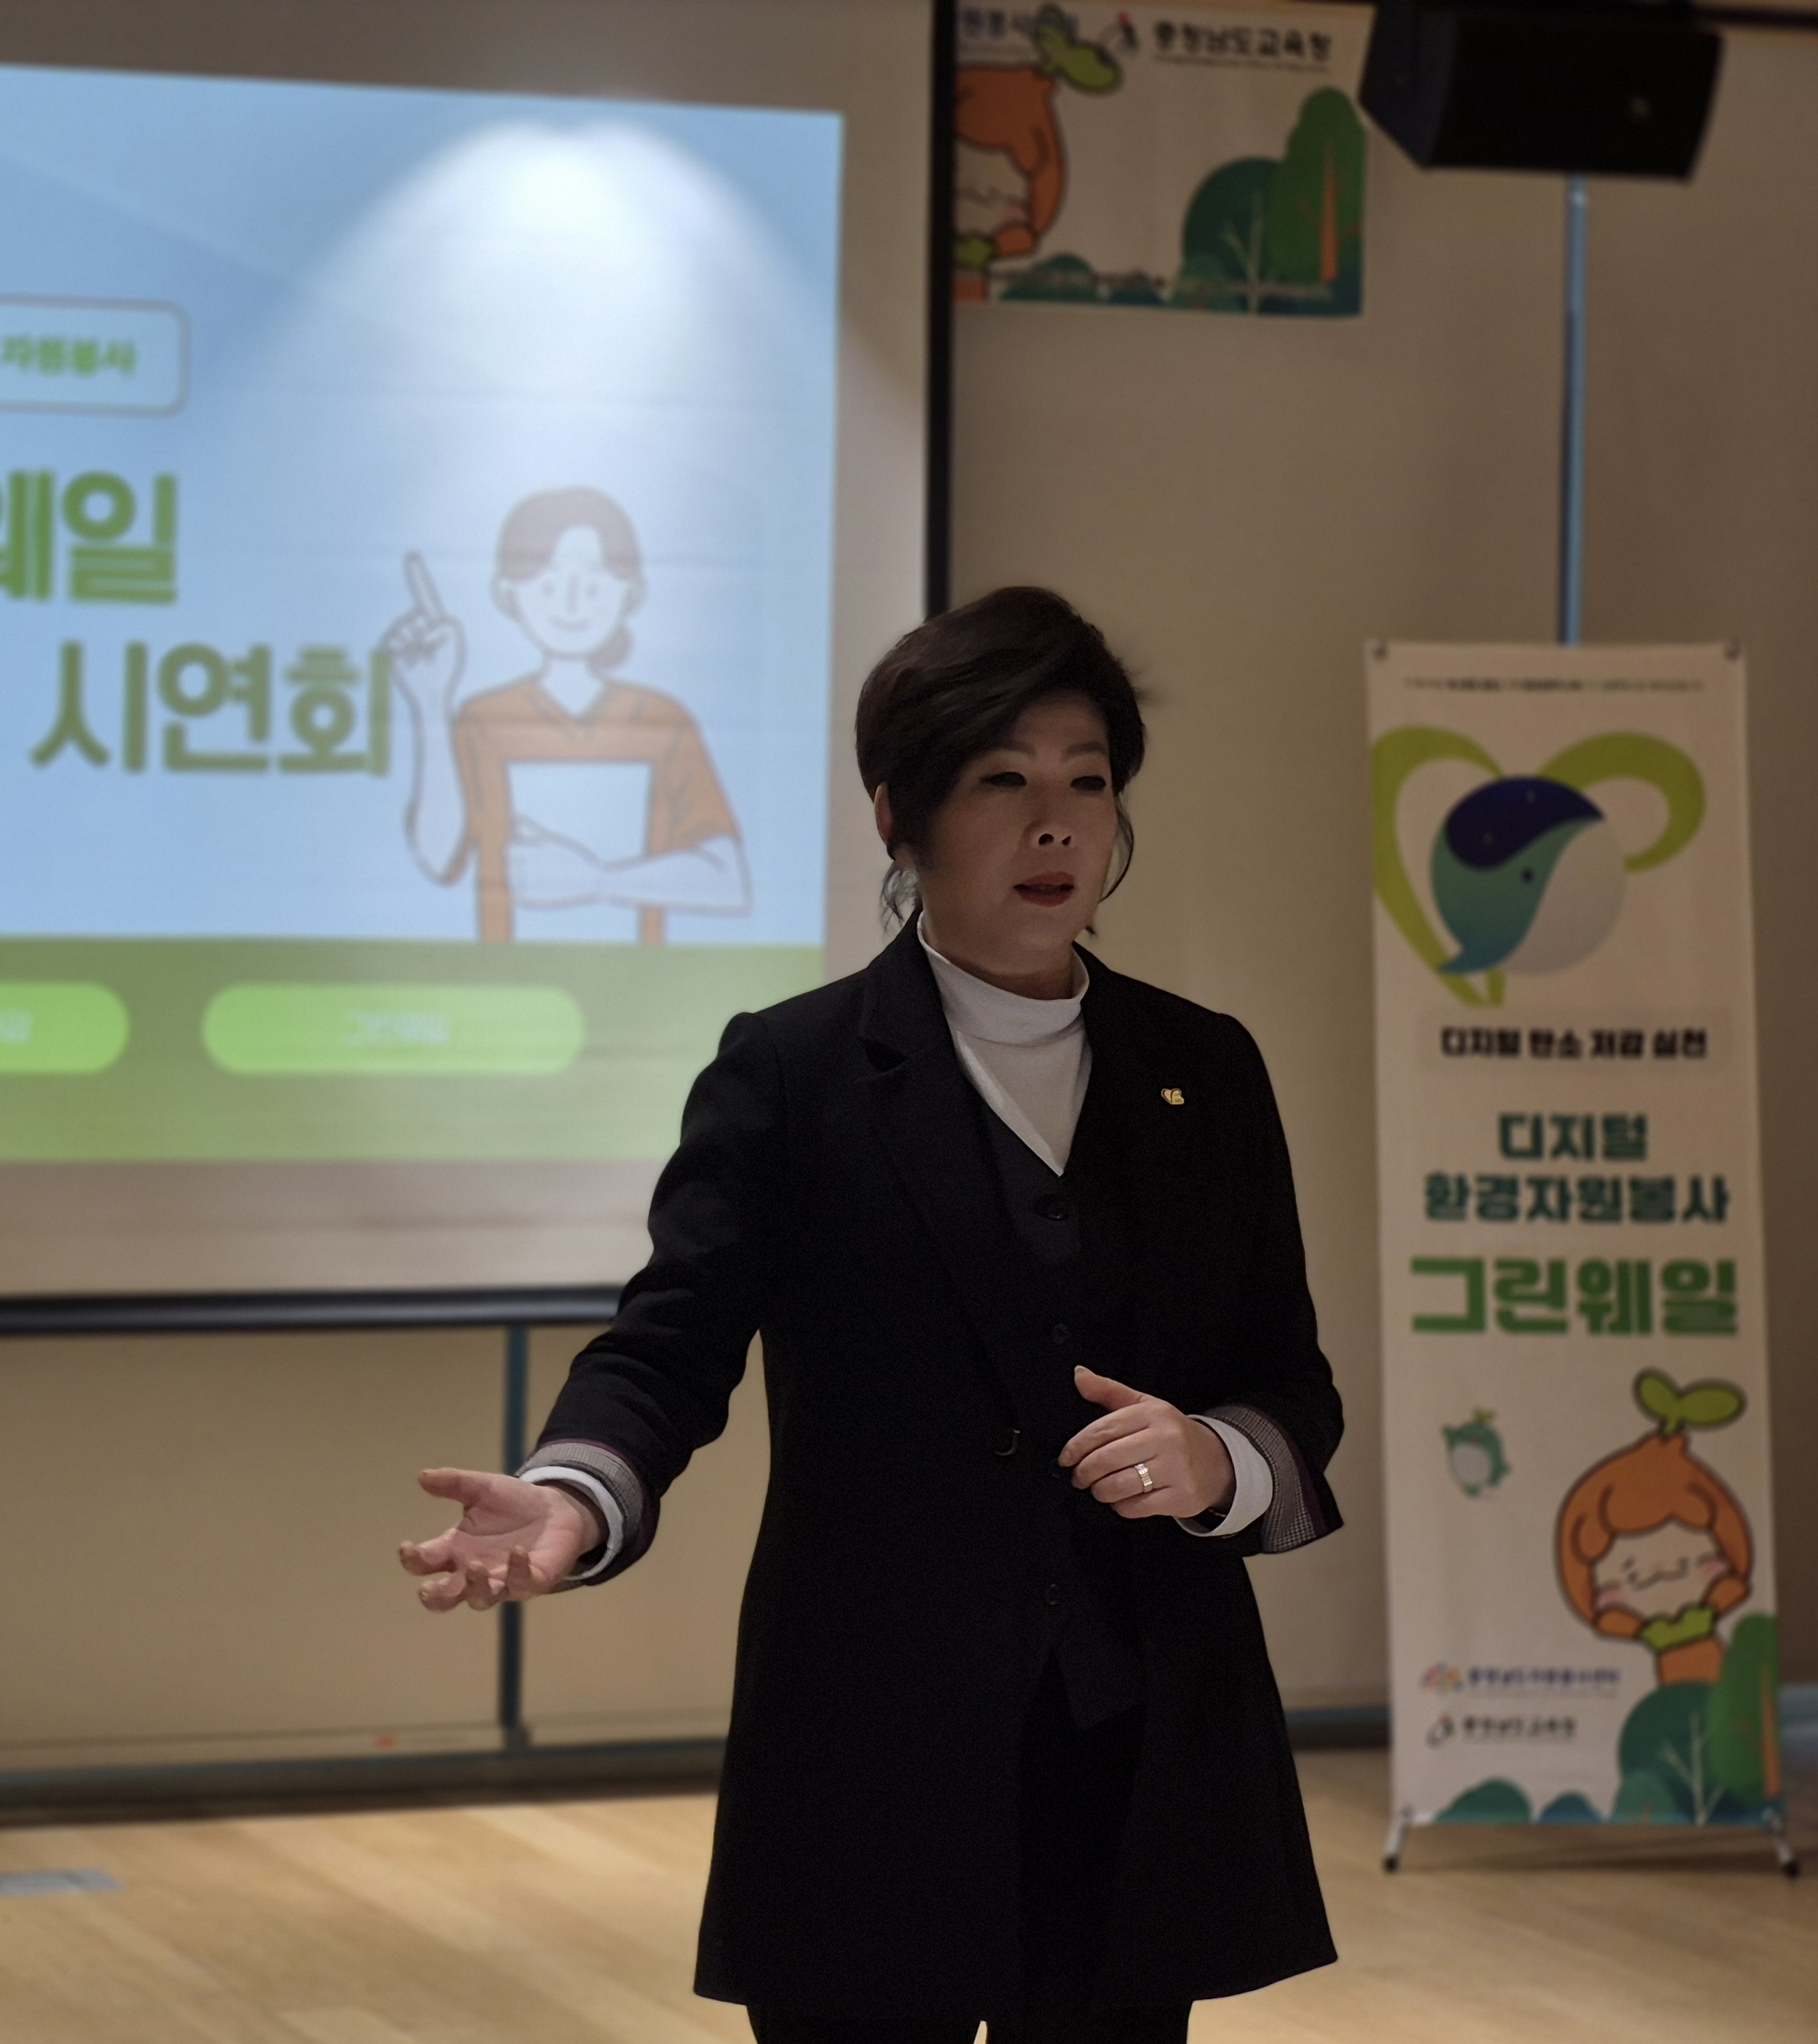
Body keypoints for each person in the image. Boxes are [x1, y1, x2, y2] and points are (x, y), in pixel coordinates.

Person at [399, 588, 1344, 2043]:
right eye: (1002, 781)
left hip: (1136, 1742)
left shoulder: (1202, 1069)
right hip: (869, 1745)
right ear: (899, 814)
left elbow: (1289, 1376)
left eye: (1088, 783)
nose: (1056, 826)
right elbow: (668, 1344)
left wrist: (1221, 1458)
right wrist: (576, 1493)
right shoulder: (795, 1072)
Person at [383, 486, 748, 942]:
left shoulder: (662, 720)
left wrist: (596, 881)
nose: (572, 603)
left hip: (640, 975)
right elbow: (439, 859)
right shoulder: (483, 719)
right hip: (503, 976)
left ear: (632, 593)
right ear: (507, 594)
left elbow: (728, 879)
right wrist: (432, 704)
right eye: (548, 584)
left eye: (594, 584)